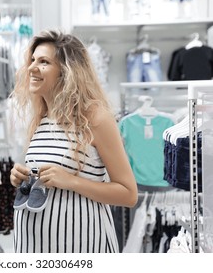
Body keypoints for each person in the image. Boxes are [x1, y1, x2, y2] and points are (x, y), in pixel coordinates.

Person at [10, 30, 138, 253]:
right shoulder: (42, 119)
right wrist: (22, 177)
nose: (31, 68)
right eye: (32, 60)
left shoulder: (95, 118)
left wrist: (71, 181)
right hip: (34, 246)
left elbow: (128, 194)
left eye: (44, 62)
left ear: (67, 71)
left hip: (81, 244)